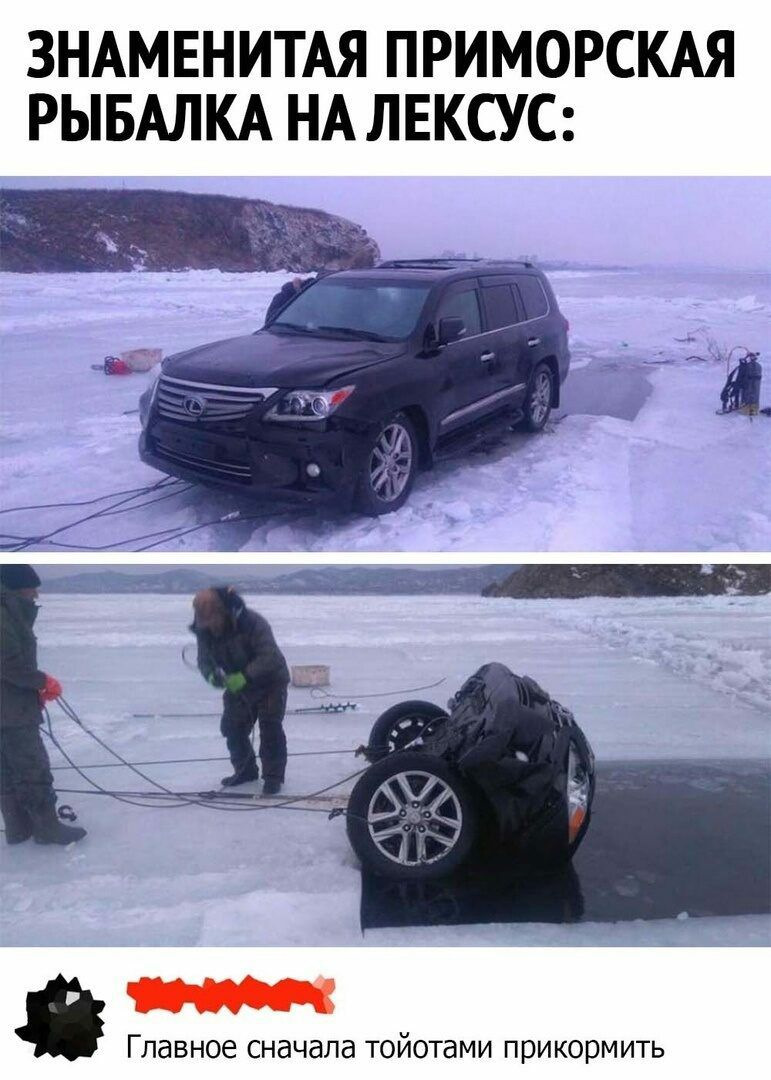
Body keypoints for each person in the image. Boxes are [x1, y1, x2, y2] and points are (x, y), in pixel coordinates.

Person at [0, 564, 87, 845]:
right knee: (30, 766)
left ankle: (18, 829)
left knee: (7, 769)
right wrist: (42, 681)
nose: (36, 594)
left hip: (10, 705)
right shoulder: (4, 614)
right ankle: (47, 828)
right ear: (17, 587)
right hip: (11, 712)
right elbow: (8, 663)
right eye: (32, 587)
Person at [191, 587, 290, 794]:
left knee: (270, 727)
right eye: (205, 623)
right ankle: (245, 771)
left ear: (223, 612)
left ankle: (273, 777)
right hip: (238, 683)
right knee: (232, 727)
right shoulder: (204, 631)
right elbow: (203, 661)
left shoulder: (253, 622)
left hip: (271, 681)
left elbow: (269, 657)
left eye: (212, 621)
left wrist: (245, 676)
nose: (210, 627)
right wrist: (211, 675)